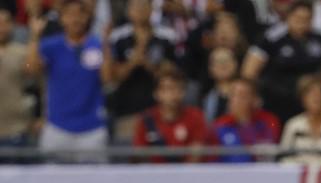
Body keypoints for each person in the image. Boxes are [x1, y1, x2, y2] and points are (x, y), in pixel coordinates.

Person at [25, 0, 112, 158]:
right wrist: (35, 36)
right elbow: (31, 70)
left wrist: (105, 44)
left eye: (80, 14)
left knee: (95, 182)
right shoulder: (51, 45)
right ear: (62, 18)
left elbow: (107, 80)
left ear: (88, 17)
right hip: (57, 127)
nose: (75, 19)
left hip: (92, 130)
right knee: (51, 182)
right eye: (70, 15)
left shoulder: (97, 45)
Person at [242, 0, 321, 122]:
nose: (302, 24)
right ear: (288, 17)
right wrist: (254, 96)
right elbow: (249, 71)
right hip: (276, 100)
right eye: (298, 18)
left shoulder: (320, 41)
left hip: (308, 103)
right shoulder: (271, 39)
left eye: (306, 19)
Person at [107, 0, 179, 141]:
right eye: (135, 6)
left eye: (143, 6)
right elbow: (112, 77)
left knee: (160, 158)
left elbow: (172, 74)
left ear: (152, 9)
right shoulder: (118, 37)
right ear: (129, 11)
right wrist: (133, 62)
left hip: (161, 113)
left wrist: (147, 63)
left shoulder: (167, 36)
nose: (140, 10)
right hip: (127, 111)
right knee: (128, 158)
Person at [132, 66, 207, 162]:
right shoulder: (145, 120)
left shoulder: (196, 116)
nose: (172, 94)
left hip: (186, 175)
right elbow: (138, 157)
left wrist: (179, 176)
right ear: (156, 93)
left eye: (177, 88)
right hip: (154, 175)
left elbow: (196, 155)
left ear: (183, 92)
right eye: (167, 88)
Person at [208, 76, 280, 162]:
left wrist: (245, 124)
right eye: (232, 94)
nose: (235, 100)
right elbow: (212, 160)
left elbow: (267, 153)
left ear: (254, 99)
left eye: (242, 95)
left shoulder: (269, 121)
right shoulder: (219, 125)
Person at [0, 7, 31, 152]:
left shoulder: (23, 52)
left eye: (6, 23)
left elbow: (37, 78)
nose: (2, 28)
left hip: (16, 129)